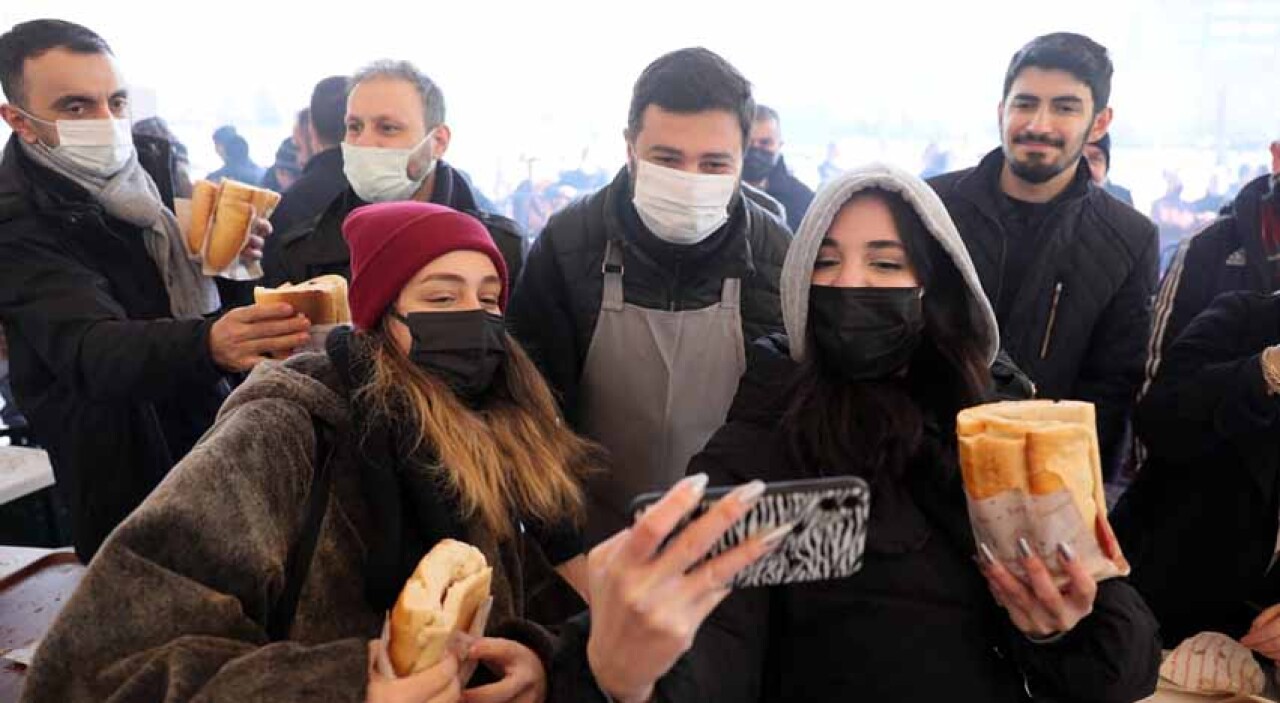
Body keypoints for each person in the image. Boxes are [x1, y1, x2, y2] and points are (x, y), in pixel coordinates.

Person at [554, 165, 1161, 703]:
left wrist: (1060, 631)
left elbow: (1122, 667)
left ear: (934, 284)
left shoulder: (1002, 433)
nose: (851, 283)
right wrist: (628, 677)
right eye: (825, 262)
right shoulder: (767, 441)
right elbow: (718, 637)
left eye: (885, 261)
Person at [20, 201, 601, 703]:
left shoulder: (489, 434)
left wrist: (536, 661)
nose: (472, 318)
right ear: (380, 318)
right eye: (442, 296)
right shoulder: (285, 432)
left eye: (490, 299)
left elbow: (525, 603)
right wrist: (347, 686)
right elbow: (101, 661)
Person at [0, 19, 305, 560]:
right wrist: (208, 343)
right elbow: (91, 348)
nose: (106, 122)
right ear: (19, 121)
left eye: (115, 101)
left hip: (218, 433)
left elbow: (202, 303)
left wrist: (233, 265)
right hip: (122, 468)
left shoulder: (156, 166)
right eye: (76, 107)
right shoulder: (17, 220)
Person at [507, 47, 791, 544]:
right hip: (593, 538)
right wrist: (569, 556)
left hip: (730, 544)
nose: (689, 180)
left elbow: (788, 426)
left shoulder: (776, 257)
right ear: (630, 148)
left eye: (714, 164)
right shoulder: (570, 243)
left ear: (745, 159)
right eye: (667, 159)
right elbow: (526, 416)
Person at [929, 32, 1158, 483]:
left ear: (1099, 123)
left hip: (1038, 484)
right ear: (1002, 111)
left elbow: (1111, 391)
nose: (1039, 123)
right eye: (1025, 103)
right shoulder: (933, 206)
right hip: (919, 469)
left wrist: (1079, 502)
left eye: (1065, 107)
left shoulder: (1129, 237)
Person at [1114, 290, 1280, 654]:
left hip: (1260, 649)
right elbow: (1158, 419)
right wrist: (1265, 371)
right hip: (1154, 618)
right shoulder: (1242, 317)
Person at [268, 60, 524, 287]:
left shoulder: (500, 248)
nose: (364, 142)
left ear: (438, 141)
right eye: (354, 127)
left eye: (388, 128)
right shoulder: (303, 251)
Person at [1144, 142, 1280, 395]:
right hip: (1220, 426)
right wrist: (1264, 371)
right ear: (1276, 155)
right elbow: (1157, 390)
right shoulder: (1209, 246)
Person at [267, 76, 350, 239]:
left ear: (312, 131)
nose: (299, 160)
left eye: (298, 148)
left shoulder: (289, 205)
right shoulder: (385, 191)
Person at [742, 104, 814, 232]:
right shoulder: (712, 191)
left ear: (779, 145)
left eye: (765, 143)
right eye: (747, 142)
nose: (755, 149)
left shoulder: (802, 199)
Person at [1082, 133, 1133, 205]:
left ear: (1106, 166)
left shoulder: (1122, 198)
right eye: (1078, 159)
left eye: (1095, 159)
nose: (1086, 167)